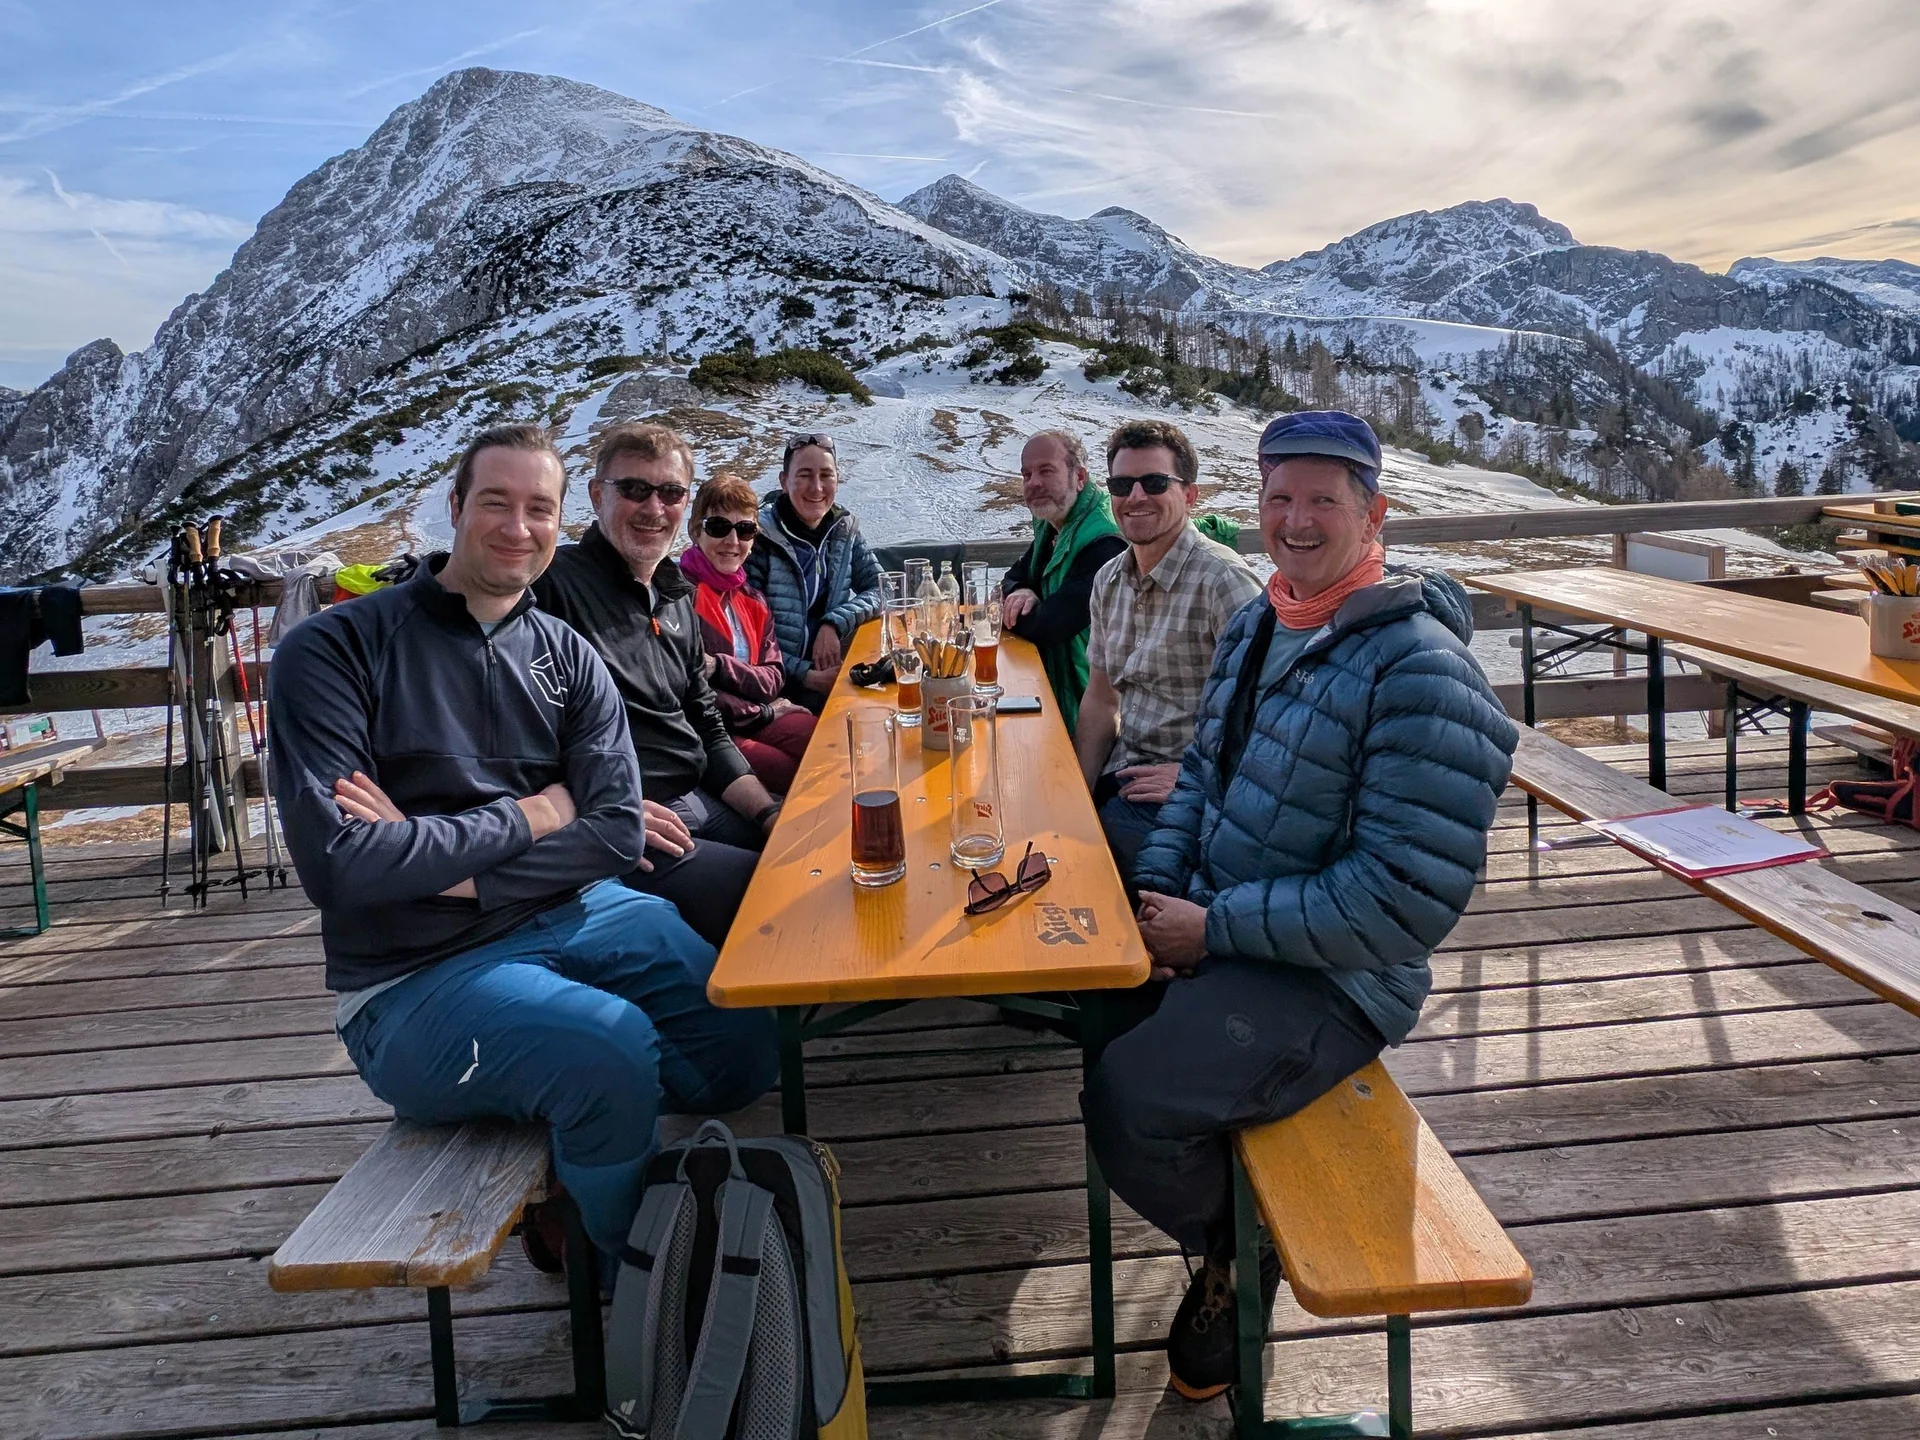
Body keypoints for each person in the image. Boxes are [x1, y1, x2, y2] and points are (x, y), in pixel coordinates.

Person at [1079, 411, 1517, 1401]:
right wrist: (1167, 903)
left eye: (1324, 499)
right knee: (1095, 1009)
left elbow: (1401, 901)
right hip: (1233, 928)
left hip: (1339, 978)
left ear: (1375, 513)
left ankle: (1243, 1253)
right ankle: (1234, 1215)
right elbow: (1200, 779)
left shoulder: (1421, 669)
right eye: (1280, 498)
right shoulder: (1263, 622)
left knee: (1129, 1101)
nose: (1297, 520)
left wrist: (1212, 930)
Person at [268, 422, 777, 1260]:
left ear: (557, 518)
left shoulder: (566, 656)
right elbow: (343, 866)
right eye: (495, 503)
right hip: (414, 975)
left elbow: (614, 831)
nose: (518, 527)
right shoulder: (334, 650)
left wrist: (444, 863)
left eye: (538, 508)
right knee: (609, 1049)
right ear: (455, 506)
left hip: (581, 909)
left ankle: (584, 1132)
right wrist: (539, 813)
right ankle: (627, 1274)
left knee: (746, 1043)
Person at [533, 423, 784, 951]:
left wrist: (767, 813)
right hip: (625, 820)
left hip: (697, 798)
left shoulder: (675, 596)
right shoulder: (551, 587)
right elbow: (521, 734)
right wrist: (604, 807)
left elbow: (706, 725)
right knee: (778, 897)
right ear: (597, 495)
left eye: (669, 492)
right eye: (634, 489)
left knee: (810, 852)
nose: (654, 508)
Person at [1077, 419, 1263, 880]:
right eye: (1122, 485)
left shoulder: (1224, 582)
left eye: (1155, 482)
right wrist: (1076, 793)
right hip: (1126, 770)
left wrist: (1195, 777)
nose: (1136, 496)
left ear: (1190, 495)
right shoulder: (1108, 580)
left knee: (1091, 870)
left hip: (1192, 791)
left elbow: (1270, 717)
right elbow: (1101, 699)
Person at [679, 471, 817, 793]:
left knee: (827, 741)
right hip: (713, 732)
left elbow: (773, 677)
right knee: (789, 772)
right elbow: (695, 695)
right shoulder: (679, 598)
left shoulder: (753, 600)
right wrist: (765, 711)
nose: (732, 541)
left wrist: (720, 666)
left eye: (744, 530)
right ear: (695, 531)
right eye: (718, 527)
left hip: (756, 716)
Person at [745, 432, 884, 713]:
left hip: (831, 672)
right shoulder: (757, 539)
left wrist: (833, 623)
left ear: (838, 480)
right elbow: (748, 636)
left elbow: (883, 588)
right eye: (805, 475)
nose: (817, 487)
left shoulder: (843, 529)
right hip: (777, 688)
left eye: (826, 475)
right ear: (784, 481)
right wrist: (805, 675)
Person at [1000, 429, 1127, 734]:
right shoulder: (1056, 523)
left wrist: (1011, 608)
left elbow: (1050, 626)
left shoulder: (1104, 540)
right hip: (1057, 692)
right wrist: (1023, 590)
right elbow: (1013, 577)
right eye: (1027, 474)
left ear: (1079, 477)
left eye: (1046, 471)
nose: (1034, 483)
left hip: (1093, 714)